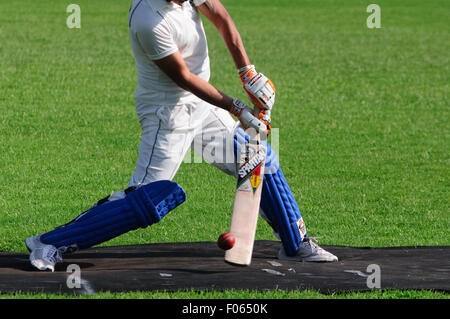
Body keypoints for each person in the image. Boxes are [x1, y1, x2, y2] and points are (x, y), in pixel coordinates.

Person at [25, 0, 337, 272]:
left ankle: (295, 245)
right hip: (167, 115)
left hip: (202, 107)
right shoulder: (149, 20)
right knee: (148, 199)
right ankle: (49, 242)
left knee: (255, 154)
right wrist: (238, 108)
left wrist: (248, 72)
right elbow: (184, 78)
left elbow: (222, 20)